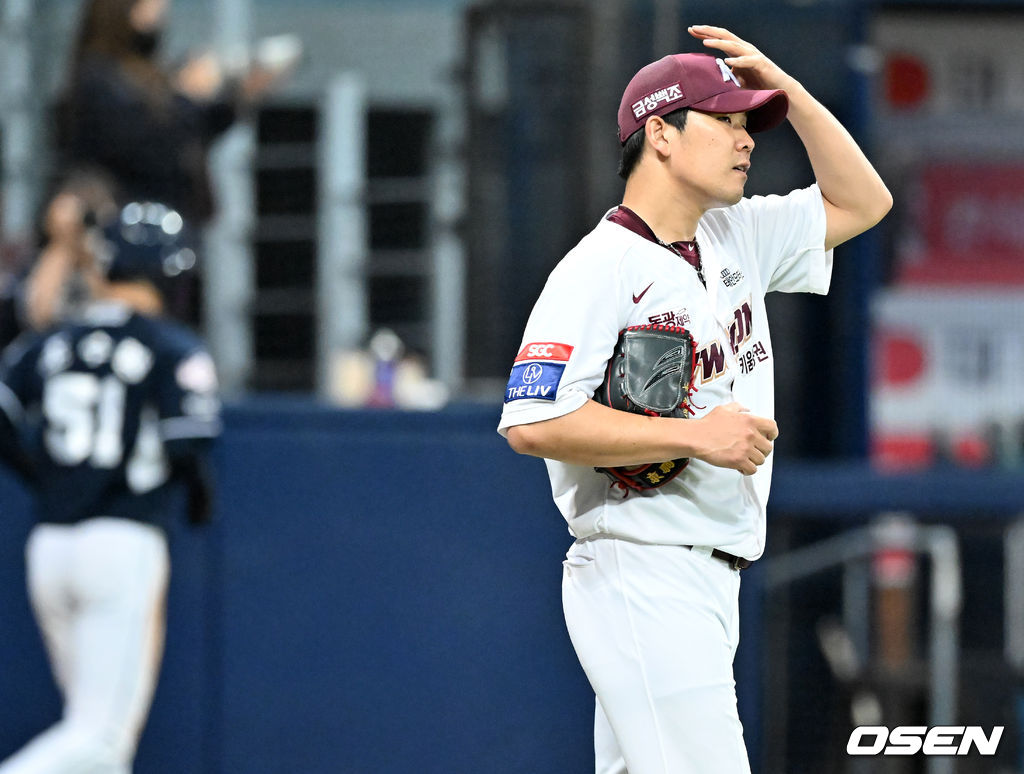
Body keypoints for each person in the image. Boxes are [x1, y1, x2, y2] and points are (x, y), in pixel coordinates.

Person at [498, 25, 892, 774]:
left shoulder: (734, 234)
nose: (746, 141)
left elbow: (864, 200)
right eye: (725, 120)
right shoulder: (598, 267)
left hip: (708, 572)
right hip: (642, 568)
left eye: (750, 123)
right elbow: (533, 420)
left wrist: (794, 93)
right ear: (661, 134)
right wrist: (693, 436)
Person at [0, 200, 221, 774]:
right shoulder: (172, 346)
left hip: (50, 547)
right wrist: (195, 491)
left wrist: (42, 476)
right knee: (100, 740)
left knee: (93, 743)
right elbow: (187, 444)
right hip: (122, 542)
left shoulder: (51, 341)